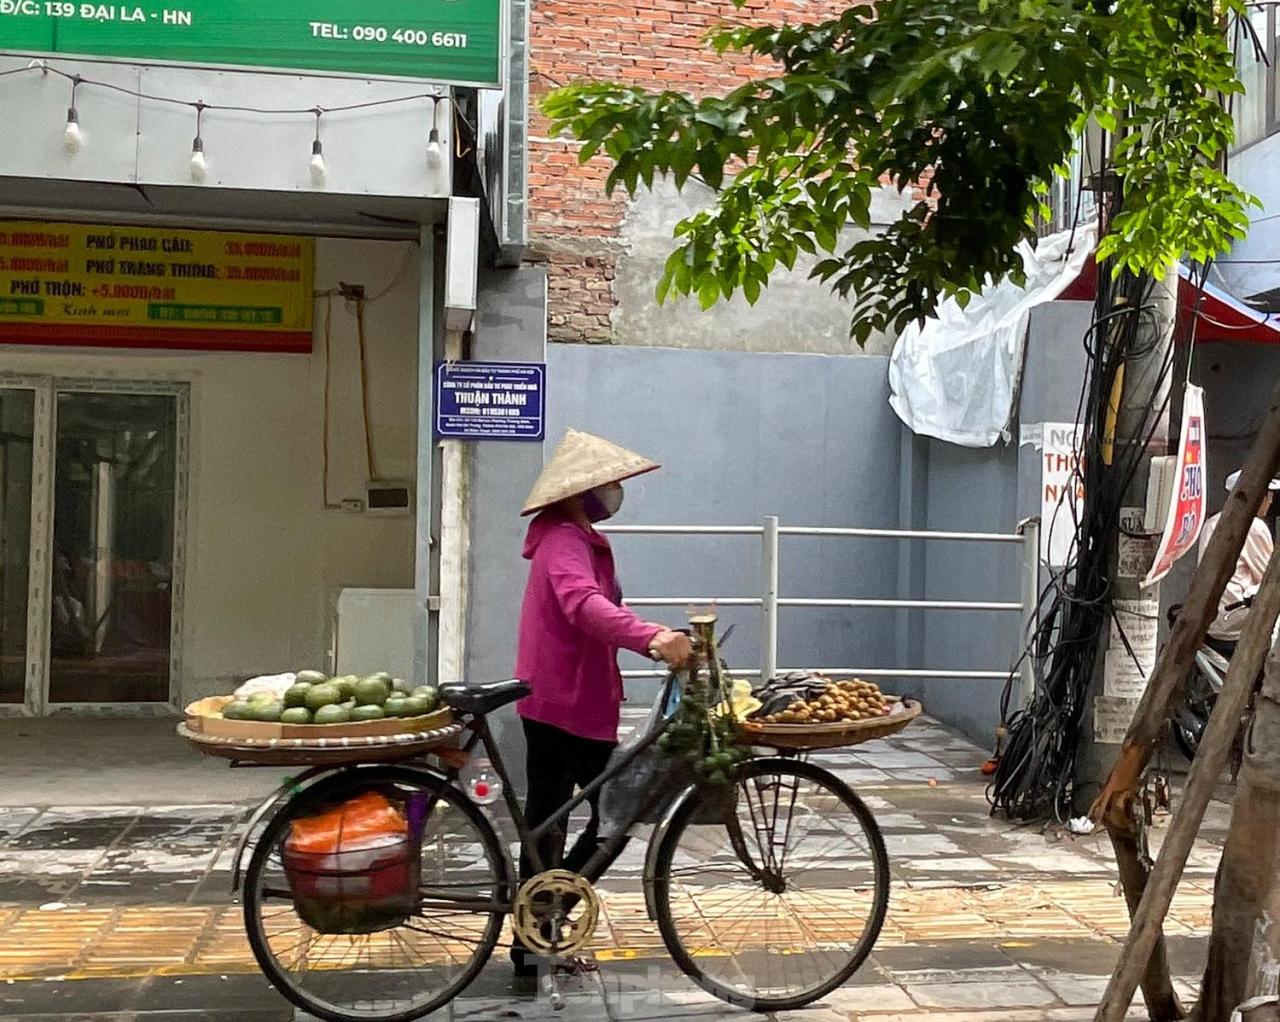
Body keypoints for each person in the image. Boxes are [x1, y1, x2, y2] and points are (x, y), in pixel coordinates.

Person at [511, 428, 692, 974]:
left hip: (568, 696)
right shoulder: (565, 540)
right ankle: (540, 926)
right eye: (609, 483)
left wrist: (648, 629)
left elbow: (602, 607)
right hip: (565, 702)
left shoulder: (574, 536)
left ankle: (535, 933)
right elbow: (583, 605)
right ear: (581, 491)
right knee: (614, 812)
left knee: (553, 817)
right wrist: (650, 638)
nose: (616, 490)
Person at [1197, 468, 1280, 657]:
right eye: (1268, 495)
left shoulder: (1212, 523)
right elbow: (1269, 578)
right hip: (1234, 621)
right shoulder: (1254, 527)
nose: (1270, 500)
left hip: (1211, 620)